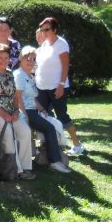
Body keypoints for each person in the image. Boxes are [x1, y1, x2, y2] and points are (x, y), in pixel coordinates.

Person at [0, 43, 37, 179]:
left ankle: (26, 167)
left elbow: (14, 95)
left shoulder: (9, 73)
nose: (4, 61)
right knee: (8, 135)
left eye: (6, 58)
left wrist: (16, 111)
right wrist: (2, 113)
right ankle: (16, 170)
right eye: (0, 57)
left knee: (25, 131)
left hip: (12, 110)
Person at [16, 45, 71, 173]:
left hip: (34, 110)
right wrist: (26, 117)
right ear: (21, 59)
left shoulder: (29, 76)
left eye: (33, 58)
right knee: (49, 128)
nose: (30, 61)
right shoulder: (19, 75)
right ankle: (55, 162)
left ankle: (50, 156)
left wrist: (42, 110)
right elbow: (18, 99)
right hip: (26, 112)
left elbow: (33, 98)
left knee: (55, 124)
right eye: (27, 58)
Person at [35, 17, 85, 156]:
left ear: (55, 30)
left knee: (62, 116)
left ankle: (77, 145)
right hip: (41, 87)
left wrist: (61, 85)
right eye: (42, 29)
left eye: (47, 29)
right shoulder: (44, 45)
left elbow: (65, 66)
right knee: (41, 116)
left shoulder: (61, 44)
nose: (44, 32)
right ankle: (48, 145)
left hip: (57, 88)